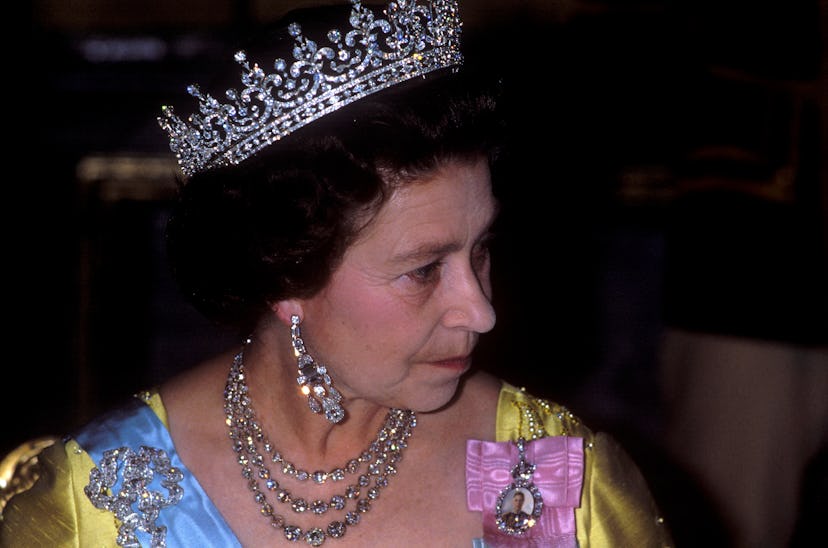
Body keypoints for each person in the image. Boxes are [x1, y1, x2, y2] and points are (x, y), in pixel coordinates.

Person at [1, 1, 673, 546]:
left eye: (481, 249)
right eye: (423, 269)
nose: (480, 310)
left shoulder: (547, 478)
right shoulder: (94, 506)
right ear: (286, 274)